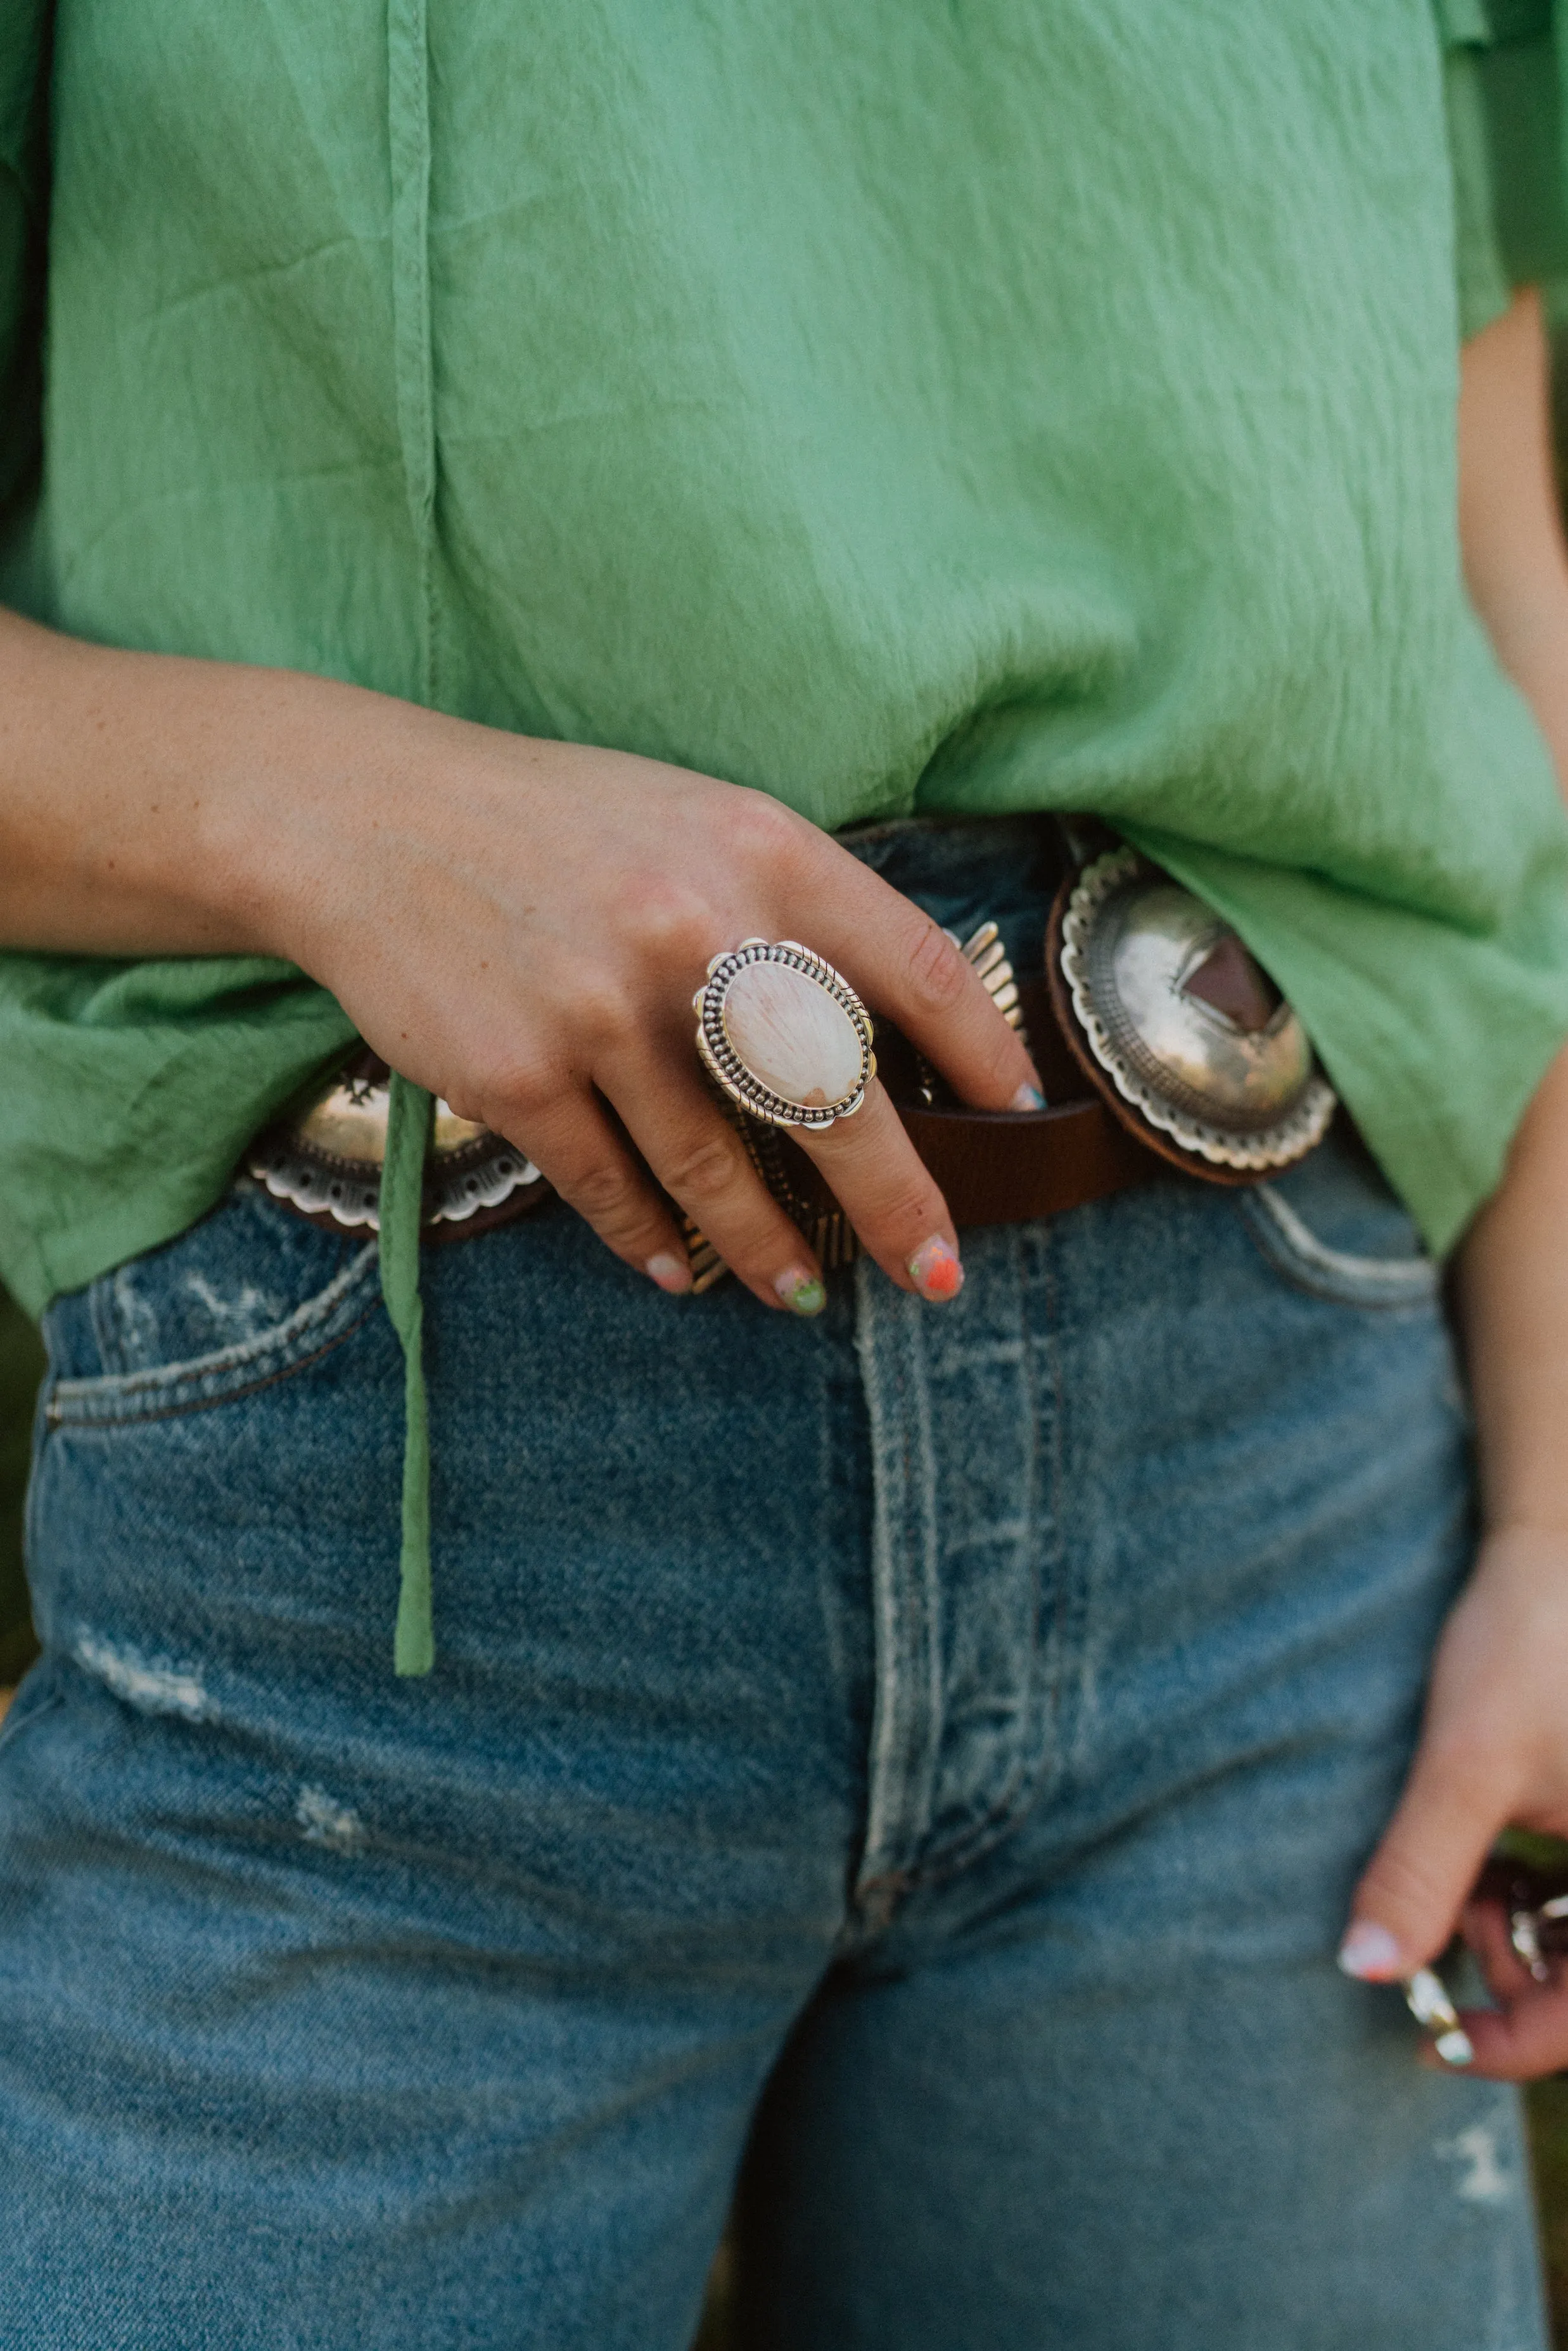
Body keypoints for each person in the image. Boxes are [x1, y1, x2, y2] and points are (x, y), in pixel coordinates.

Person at [5, 5, 1568, 2345]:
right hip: (391, 1567)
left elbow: (1481, 577)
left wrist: (1561, 1499)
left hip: (1290, 1547)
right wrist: (323, 811)